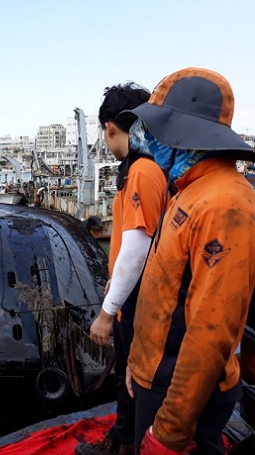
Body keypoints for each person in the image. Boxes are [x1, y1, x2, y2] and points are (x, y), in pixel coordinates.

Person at [123, 67, 255, 454]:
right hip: (157, 374)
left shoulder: (224, 203)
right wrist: (137, 361)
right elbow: (163, 292)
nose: (150, 140)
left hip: (182, 391)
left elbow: (211, 331)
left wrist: (170, 431)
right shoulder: (187, 188)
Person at [75, 83, 167, 455]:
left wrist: (106, 313)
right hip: (138, 297)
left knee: (130, 376)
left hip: (139, 301)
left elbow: (136, 249)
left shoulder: (142, 173)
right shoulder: (146, 168)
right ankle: (125, 438)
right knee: (129, 375)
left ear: (110, 127)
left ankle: (126, 443)